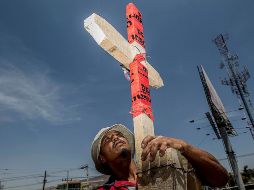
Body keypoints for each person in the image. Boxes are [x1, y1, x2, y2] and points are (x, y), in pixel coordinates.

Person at [91, 124, 229, 189]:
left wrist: (184, 147)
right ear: (102, 158)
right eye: (107, 140)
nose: (116, 138)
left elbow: (221, 179)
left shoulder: (164, 163)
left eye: (119, 135)